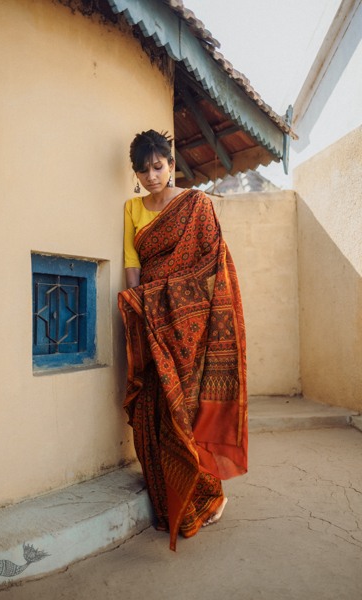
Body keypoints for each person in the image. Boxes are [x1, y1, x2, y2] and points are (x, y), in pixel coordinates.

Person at [118, 129, 247, 551]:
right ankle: (168, 499)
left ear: (171, 165)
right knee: (154, 410)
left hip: (187, 326)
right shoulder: (132, 209)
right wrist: (139, 308)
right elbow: (132, 264)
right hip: (152, 322)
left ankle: (208, 497)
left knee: (186, 411)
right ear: (135, 173)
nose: (152, 175)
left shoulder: (196, 205)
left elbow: (212, 261)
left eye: (158, 166)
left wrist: (179, 303)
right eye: (143, 169)